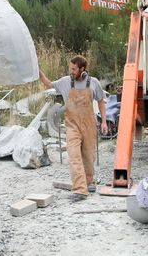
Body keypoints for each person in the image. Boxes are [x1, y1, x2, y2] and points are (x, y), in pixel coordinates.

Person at [39, 55, 108, 202]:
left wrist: (104, 122)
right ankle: (80, 190)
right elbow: (48, 83)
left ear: (82, 69)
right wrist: (38, 70)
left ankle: (89, 182)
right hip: (72, 125)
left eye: (74, 69)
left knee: (89, 156)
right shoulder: (65, 82)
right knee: (74, 155)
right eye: (70, 68)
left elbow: (101, 101)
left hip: (89, 124)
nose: (71, 71)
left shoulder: (93, 82)